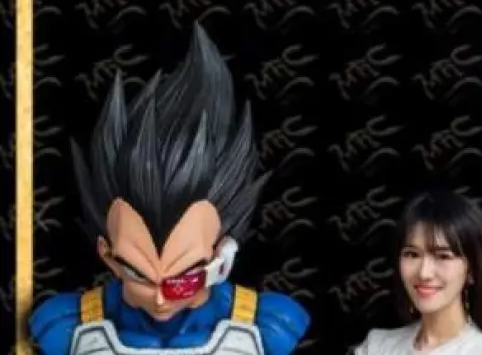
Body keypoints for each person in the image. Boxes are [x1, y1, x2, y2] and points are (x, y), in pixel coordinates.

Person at [29, 24, 310, 355]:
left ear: (222, 255)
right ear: (107, 255)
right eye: (140, 277)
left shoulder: (269, 325)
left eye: (182, 280)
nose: (161, 299)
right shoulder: (65, 325)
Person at [354, 189, 482, 354]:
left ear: (472, 270)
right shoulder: (377, 347)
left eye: (443, 256)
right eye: (412, 254)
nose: (424, 273)